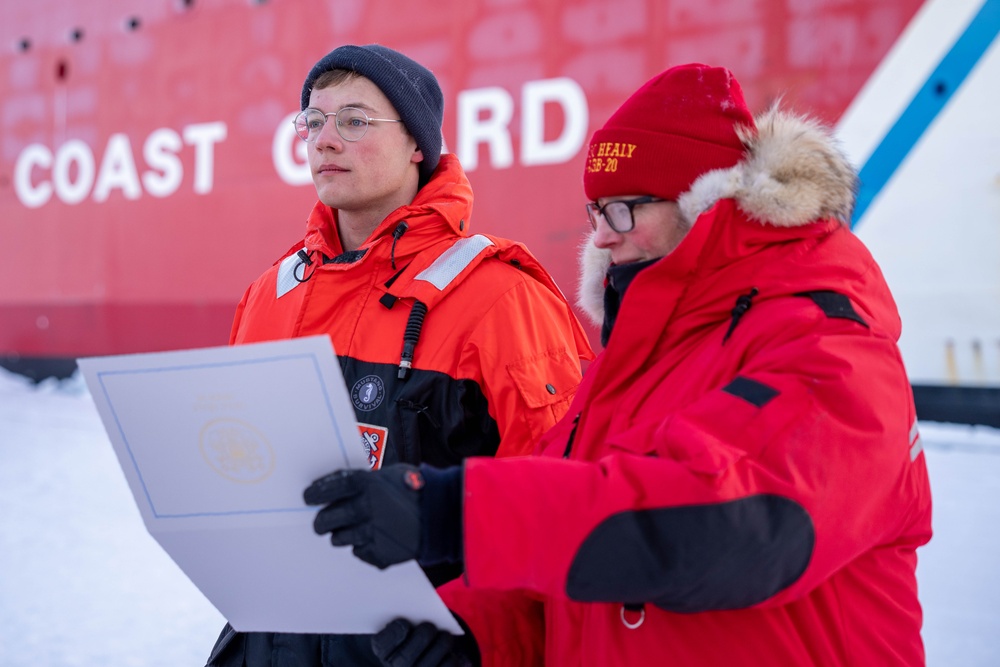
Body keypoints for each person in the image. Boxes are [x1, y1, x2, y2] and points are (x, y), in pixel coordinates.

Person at [303, 63, 934, 666]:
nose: (601, 236)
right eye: (596, 212)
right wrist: (477, 630)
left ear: (708, 203)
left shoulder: (832, 348)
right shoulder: (634, 363)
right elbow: (570, 553)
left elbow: (724, 524)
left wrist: (454, 512)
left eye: (622, 209)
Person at [205, 44, 593, 666]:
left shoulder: (500, 301)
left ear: (417, 144)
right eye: (313, 121)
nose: (324, 141)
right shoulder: (267, 296)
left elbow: (562, 511)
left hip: (419, 649)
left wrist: (480, 638)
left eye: (355, 121)